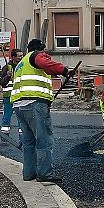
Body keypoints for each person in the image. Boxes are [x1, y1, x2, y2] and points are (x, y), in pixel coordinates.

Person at [10, 39, 69, 182]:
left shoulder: (21, 63)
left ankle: (29, 173)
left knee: (29, 142)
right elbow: (46, 63)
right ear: (39, 49)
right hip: (34, 103)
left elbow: (45, 69)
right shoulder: (36, 56)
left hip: (20, 105)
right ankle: (45, 173)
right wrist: (64, 70)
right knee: (44, 140)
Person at [0, 49, 24, 134]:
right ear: (13, 57)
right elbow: (2, 82)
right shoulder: (7, 67)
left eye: (22, 55)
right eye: (19, 55)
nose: (21, 57)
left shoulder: (23, 67)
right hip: (9, 95)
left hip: (20, 95)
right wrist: (7, 76)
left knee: (21, 116)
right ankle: (5, 132)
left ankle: (22, 132)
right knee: (7, 114)